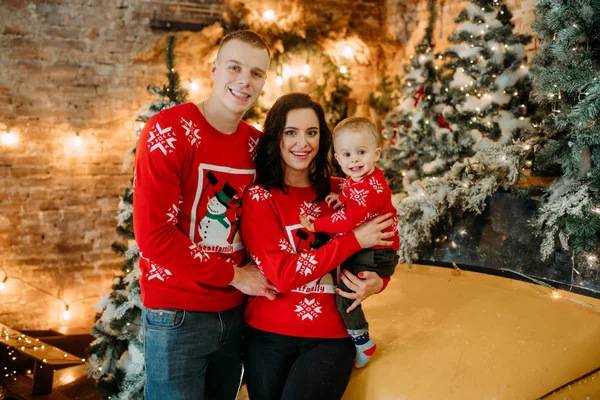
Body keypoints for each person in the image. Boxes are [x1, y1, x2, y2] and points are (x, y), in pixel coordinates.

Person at [133, 30, 278, 400]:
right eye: (234, 67)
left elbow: (303, 190)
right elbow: (154, 237)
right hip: (177, 314)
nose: (245, 80)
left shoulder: (256, 145)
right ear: (214, 70)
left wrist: (355, 191)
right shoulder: (169, 131)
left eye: (257, 73)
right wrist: (234, 275)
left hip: (235, 314)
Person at [239, 93, 396, 400]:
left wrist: (379, 282)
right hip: (268, 335)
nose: (303, 143)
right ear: (276, 137)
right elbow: (282, 274)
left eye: (311, 132)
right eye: (291, 132)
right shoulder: (260, 197)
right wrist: (353, 240)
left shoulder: (347, 190)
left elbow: (386, 239)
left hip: (330, 335)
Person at [299, 116, 400, 368]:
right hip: (375, 250)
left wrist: (316, 225)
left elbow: (348, 220)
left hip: (377, 254)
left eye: (361, 152)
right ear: (337, 158)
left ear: (376, 154)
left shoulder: (371, 189)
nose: (354, 160)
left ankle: (362, 341)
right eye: (346, 154)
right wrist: (340, 196)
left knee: (345, 292)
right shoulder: (360, 180)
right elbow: (351, 192)